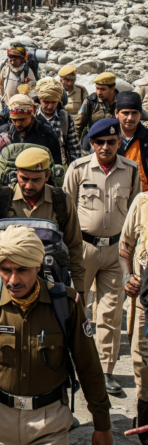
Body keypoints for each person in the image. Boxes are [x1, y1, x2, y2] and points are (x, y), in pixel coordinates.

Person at [0, 225, 112, 445]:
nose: (13, 280)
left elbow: (88, 366)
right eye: (5, 270)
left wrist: (102, 424)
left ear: (38, 265)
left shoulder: (66, 304)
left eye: (22, 269)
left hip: (49, 423)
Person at [64, 118, 141, 393]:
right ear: (92, 144)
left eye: (111, 142)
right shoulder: (78, 169)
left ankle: (105, 370)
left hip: (116, 251)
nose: (106, 147)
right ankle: (70, 368)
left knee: (110, 311)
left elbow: (135, 212)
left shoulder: (131, 171)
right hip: (82, 248)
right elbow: (66, 209)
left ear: (119, 142)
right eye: (100, 143)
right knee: (75, 308)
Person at [0, 147, 85, 292]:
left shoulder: (61, 201)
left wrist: (79, 290)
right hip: (11, 283)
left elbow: (74, 246)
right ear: (17, 173)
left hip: (50, 282)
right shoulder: (2, 198)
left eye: (36, 180)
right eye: (24, 178)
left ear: (47, 176)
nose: (29, 185)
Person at [120, 190, 148, 445]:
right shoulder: (142, 203)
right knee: (143, 367)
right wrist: (128, 278)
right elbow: (124, 248)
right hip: (144, 307)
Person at [0, 94, 63, 166]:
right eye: (14, 120)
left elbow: (57, 168)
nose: (18, 124)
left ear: (32, 115)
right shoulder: (5, 134)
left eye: (22, 119)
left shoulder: (47, 135)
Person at [34, 78, 81, 167]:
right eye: (46, 102)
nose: (50, 106)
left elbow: (74, 149)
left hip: (59, 168)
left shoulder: (65, 118)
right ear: (39, 99)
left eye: (54, 102)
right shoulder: (32, 116)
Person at [115, 91, 148, 191]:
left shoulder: (146, 137)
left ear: (140, 114)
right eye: (125, 113)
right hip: (114, 193)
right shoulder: (106, 138)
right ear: (116, 113)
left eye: (135, 113)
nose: (130, 118)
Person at [74, 72, 118, 144]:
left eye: (103, 89)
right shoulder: (90, 101)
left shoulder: (122, 102)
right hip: (92, 140)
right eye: (97, 88)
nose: (98, 92)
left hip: (113, 142)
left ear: (112, 88)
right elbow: (78, 125)